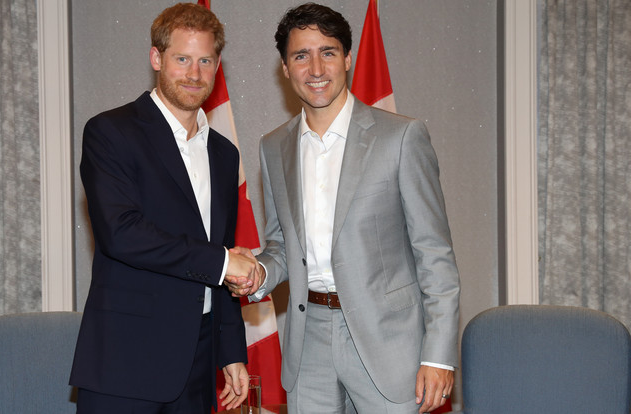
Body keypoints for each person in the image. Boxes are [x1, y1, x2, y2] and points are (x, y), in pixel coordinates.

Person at [225, 3, 460, 413]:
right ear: (285, 67)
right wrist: (259, 272)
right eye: (301, 56)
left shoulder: (401, 137)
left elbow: (434, 254)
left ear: (347, 59)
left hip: (389, 344)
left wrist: (437, 355)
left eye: (328, 52)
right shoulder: (272, 147)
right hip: (307, 340)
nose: (316, 68)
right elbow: (283, 245)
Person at [69, 3, 261, 413]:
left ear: (217, 64)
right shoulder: (110, 132)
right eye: (182, 59)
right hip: (125, 362)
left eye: (205, 60)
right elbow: (122, 233)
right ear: (157, 58)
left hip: (199, 359)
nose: (194, 74)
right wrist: (224, 263)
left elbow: (221, 247)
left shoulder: (224, 155)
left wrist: (231, 350)